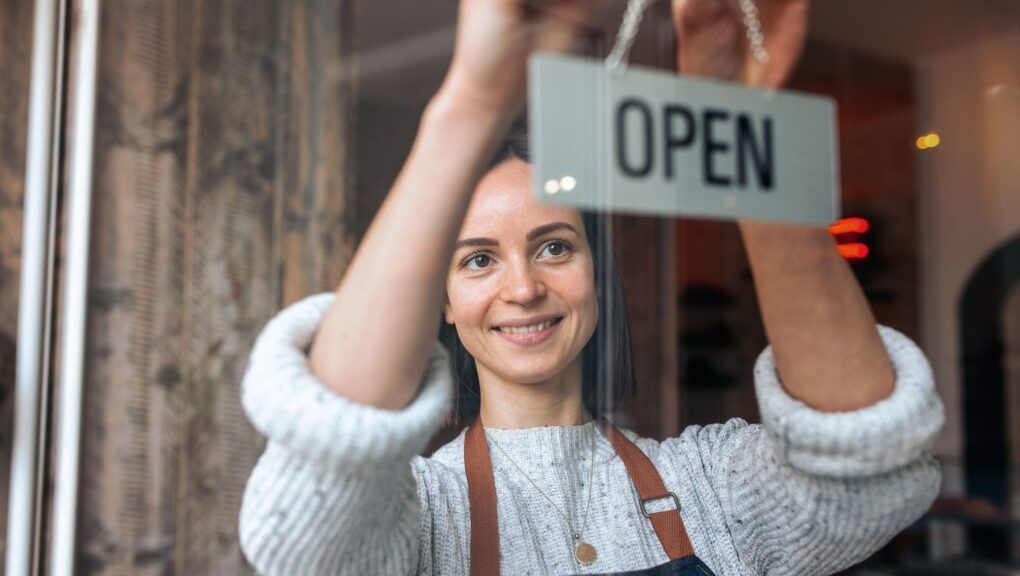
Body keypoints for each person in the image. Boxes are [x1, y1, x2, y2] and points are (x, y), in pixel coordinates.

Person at [238, 0, 944, 574]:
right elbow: (303, 537)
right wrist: (474, 102)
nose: (523, 287)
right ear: (442, 305)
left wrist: (736, 125)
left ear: (596, 278)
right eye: (477, 260)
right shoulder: (423, 513)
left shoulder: (711, 484)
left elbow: (866, 480)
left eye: (553, 247)